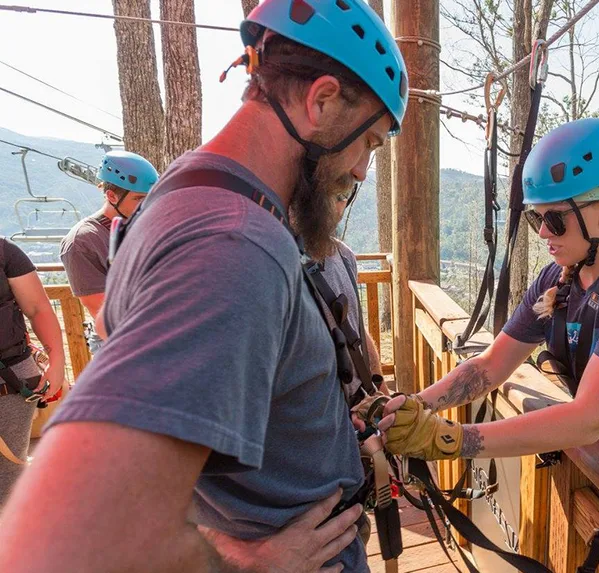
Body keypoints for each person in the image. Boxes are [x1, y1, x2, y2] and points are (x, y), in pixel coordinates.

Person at [0, 0, 407, 571]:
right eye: (370, 142)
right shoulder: (232, 244)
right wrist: (244, 563)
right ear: (321, 101)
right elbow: (60, 540)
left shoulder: (194, 193)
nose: (363, 169)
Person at [368, 118, 599, 500]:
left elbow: (589, 418)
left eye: (554, 219)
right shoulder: (557, 278)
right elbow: (491, 365)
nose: (543, 233)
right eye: (537, 218)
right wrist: (418, 405)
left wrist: (452, 440)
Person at [59, 150, 158, 351]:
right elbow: (105, 313)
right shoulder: (83, 241)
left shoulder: (144, 227)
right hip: (121, 344)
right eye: (139, 199)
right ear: (111, 196)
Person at [0, 237, 65, 507]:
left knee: (7, 480)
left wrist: (57, 359)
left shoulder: (5, 252)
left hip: (10, 377)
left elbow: (37, 307)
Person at [321, 191, 387, 398]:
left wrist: (380, 390)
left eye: (344, 195)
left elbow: (357, 331)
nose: (339, 204)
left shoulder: (344, 255)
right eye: (332, 191)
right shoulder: (276, 265)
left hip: (360, 406)